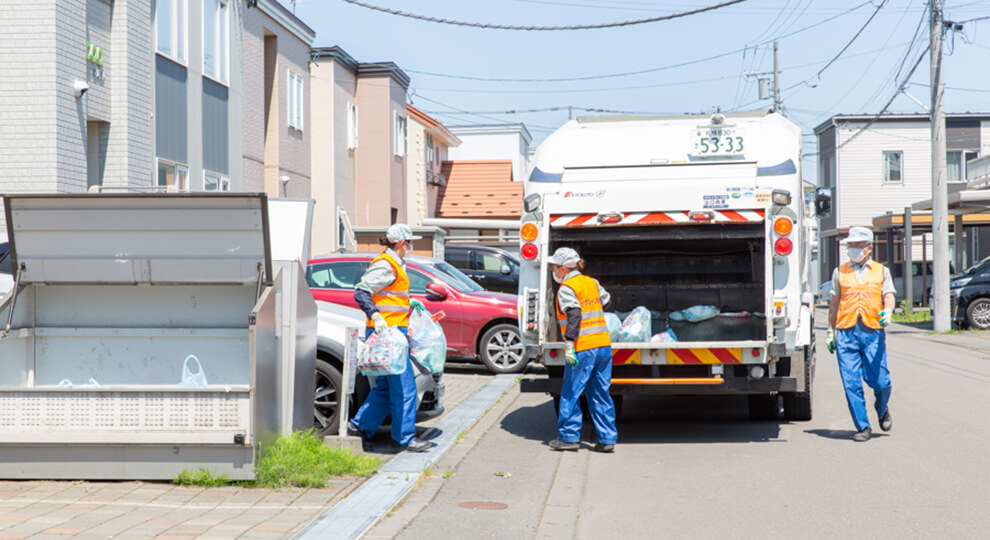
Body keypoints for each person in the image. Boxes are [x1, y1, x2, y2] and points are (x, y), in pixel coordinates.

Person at [348, 224, 430, 452]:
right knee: (405, 388)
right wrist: (375, 314)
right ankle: (404, 438)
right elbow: (361, 291)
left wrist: (408, 304)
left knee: (384, 388)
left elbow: (390, 297)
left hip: (390, 333)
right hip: (389, 335)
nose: (411, 246)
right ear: (402, 243)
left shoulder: (392, 264)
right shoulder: (387, 265)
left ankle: (359, 427)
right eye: (410, 242)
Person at [826, 226, 895, 442]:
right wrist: (830, 330)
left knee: (881, 381)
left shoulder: (881, 271)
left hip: (872, 331)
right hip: (846, 331)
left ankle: (881, 407)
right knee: (851, 382)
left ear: (869, 248)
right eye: (850, 245)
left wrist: (889, 311)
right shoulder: (840, 271)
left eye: (857, 245)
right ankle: (863, 426)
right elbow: (834, 304)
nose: (852, 249)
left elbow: (889, 295)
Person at [547, 247, 618, 453]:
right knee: (600, 393)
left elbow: (574, 315)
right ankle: (607, 439)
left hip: (582, 347)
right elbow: (607, 301)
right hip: (603, 346)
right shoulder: (592, 282)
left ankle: (569, 437)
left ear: (562, 268)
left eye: (554, 267)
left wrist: (569, 343)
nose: (554, 272)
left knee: (571, 391)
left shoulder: (567, 288)